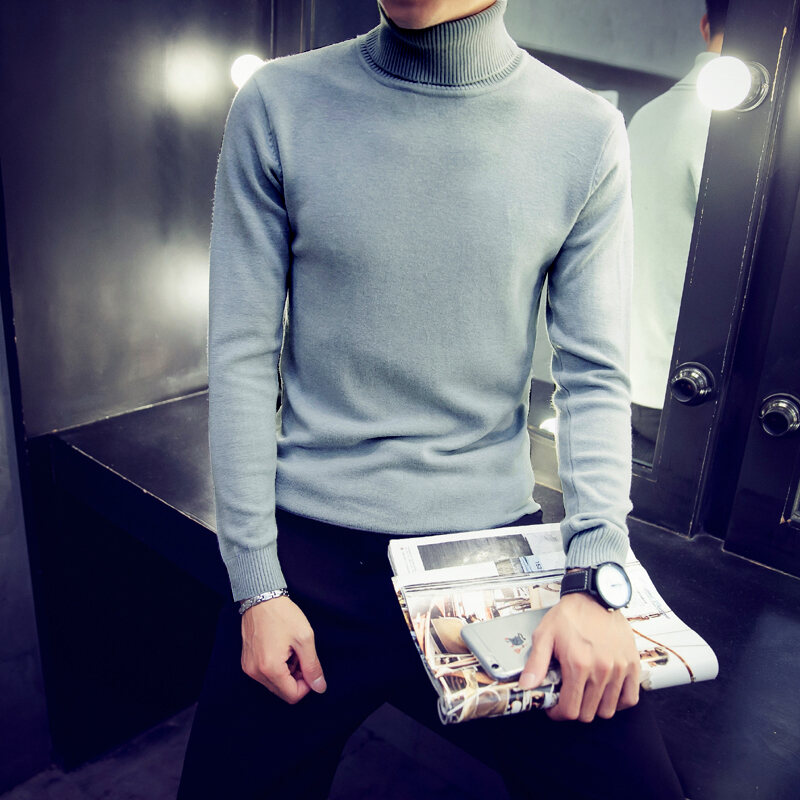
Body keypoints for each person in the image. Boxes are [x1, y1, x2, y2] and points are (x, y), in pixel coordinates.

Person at [178, 1, 684, 797]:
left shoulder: (584, 131)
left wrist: (595, 572)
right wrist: (257, 586)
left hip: (495, 560)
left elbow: (593, 375)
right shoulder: (277, 102)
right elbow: (241, 355)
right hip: (309, 562)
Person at [628, 0, 728, 449]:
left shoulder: (647, 116)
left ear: (706, 26)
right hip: (694, 396)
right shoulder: (736, 130)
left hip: (635, 385)